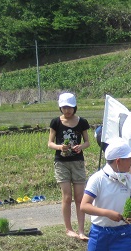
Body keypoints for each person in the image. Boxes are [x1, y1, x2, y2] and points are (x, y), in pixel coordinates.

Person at [48, 92, 91, 240]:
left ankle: (81, 230)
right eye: (64, 107)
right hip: (61, 162)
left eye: (70, 107)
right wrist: (60, 147)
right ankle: (68, 229)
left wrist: (81, 147)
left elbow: (87, 142)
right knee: (67, 197)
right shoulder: (55, 122)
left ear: (75, 107)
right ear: (60, 107)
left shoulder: (82, 122)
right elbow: (50, 143)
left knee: (80, 197)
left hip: (77, 162)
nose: (67, 110)